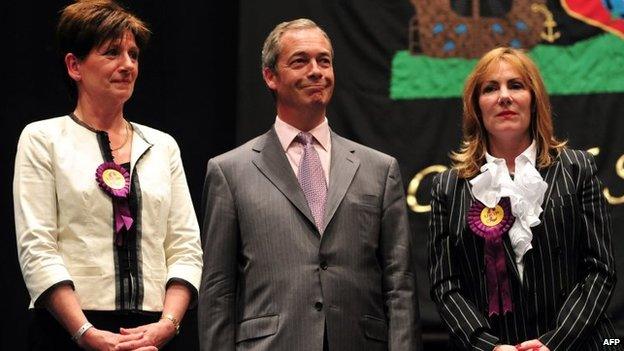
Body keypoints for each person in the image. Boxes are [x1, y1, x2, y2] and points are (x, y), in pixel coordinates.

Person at [198, 18, 422, 351]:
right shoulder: (230, 171)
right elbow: (218, 290)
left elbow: (399, 283)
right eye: (300, 61)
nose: (316, 71)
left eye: (324, 61)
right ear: (270, 76)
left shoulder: (379, 168)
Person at [13, 1, 203, 350]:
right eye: (112, 52)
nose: (128, 65)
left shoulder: (162, 146)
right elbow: (37, 247)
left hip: (153, 335)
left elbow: (185, 247)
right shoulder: (43, 139)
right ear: (75, 66)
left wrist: (167, 325)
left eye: (133, 54)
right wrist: (85, 332)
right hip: (66, 332)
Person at [428, 47, 619, 351]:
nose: (504, 96)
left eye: (515, 85)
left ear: (534, 100)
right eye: (490, 88)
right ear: (476, 107)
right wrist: (487, 346)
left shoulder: (577, 168)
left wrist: (555, 342)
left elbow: (601, 268)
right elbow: (445, 285)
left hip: (576, 344)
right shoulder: (448, 188)